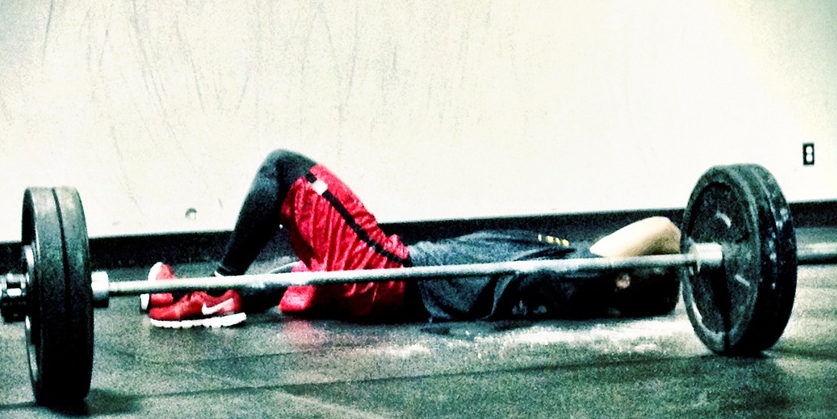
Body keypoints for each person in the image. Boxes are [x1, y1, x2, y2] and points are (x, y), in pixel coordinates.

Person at [143, 150, 682, 328]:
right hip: (388, 281)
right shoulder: (559, 259)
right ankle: (217, 300)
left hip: (394, 276)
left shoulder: (570, 274)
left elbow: (665, 230)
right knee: (303, 274)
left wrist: (682, 260)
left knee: (283, 168)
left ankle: (218, 285)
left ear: (625, 278)